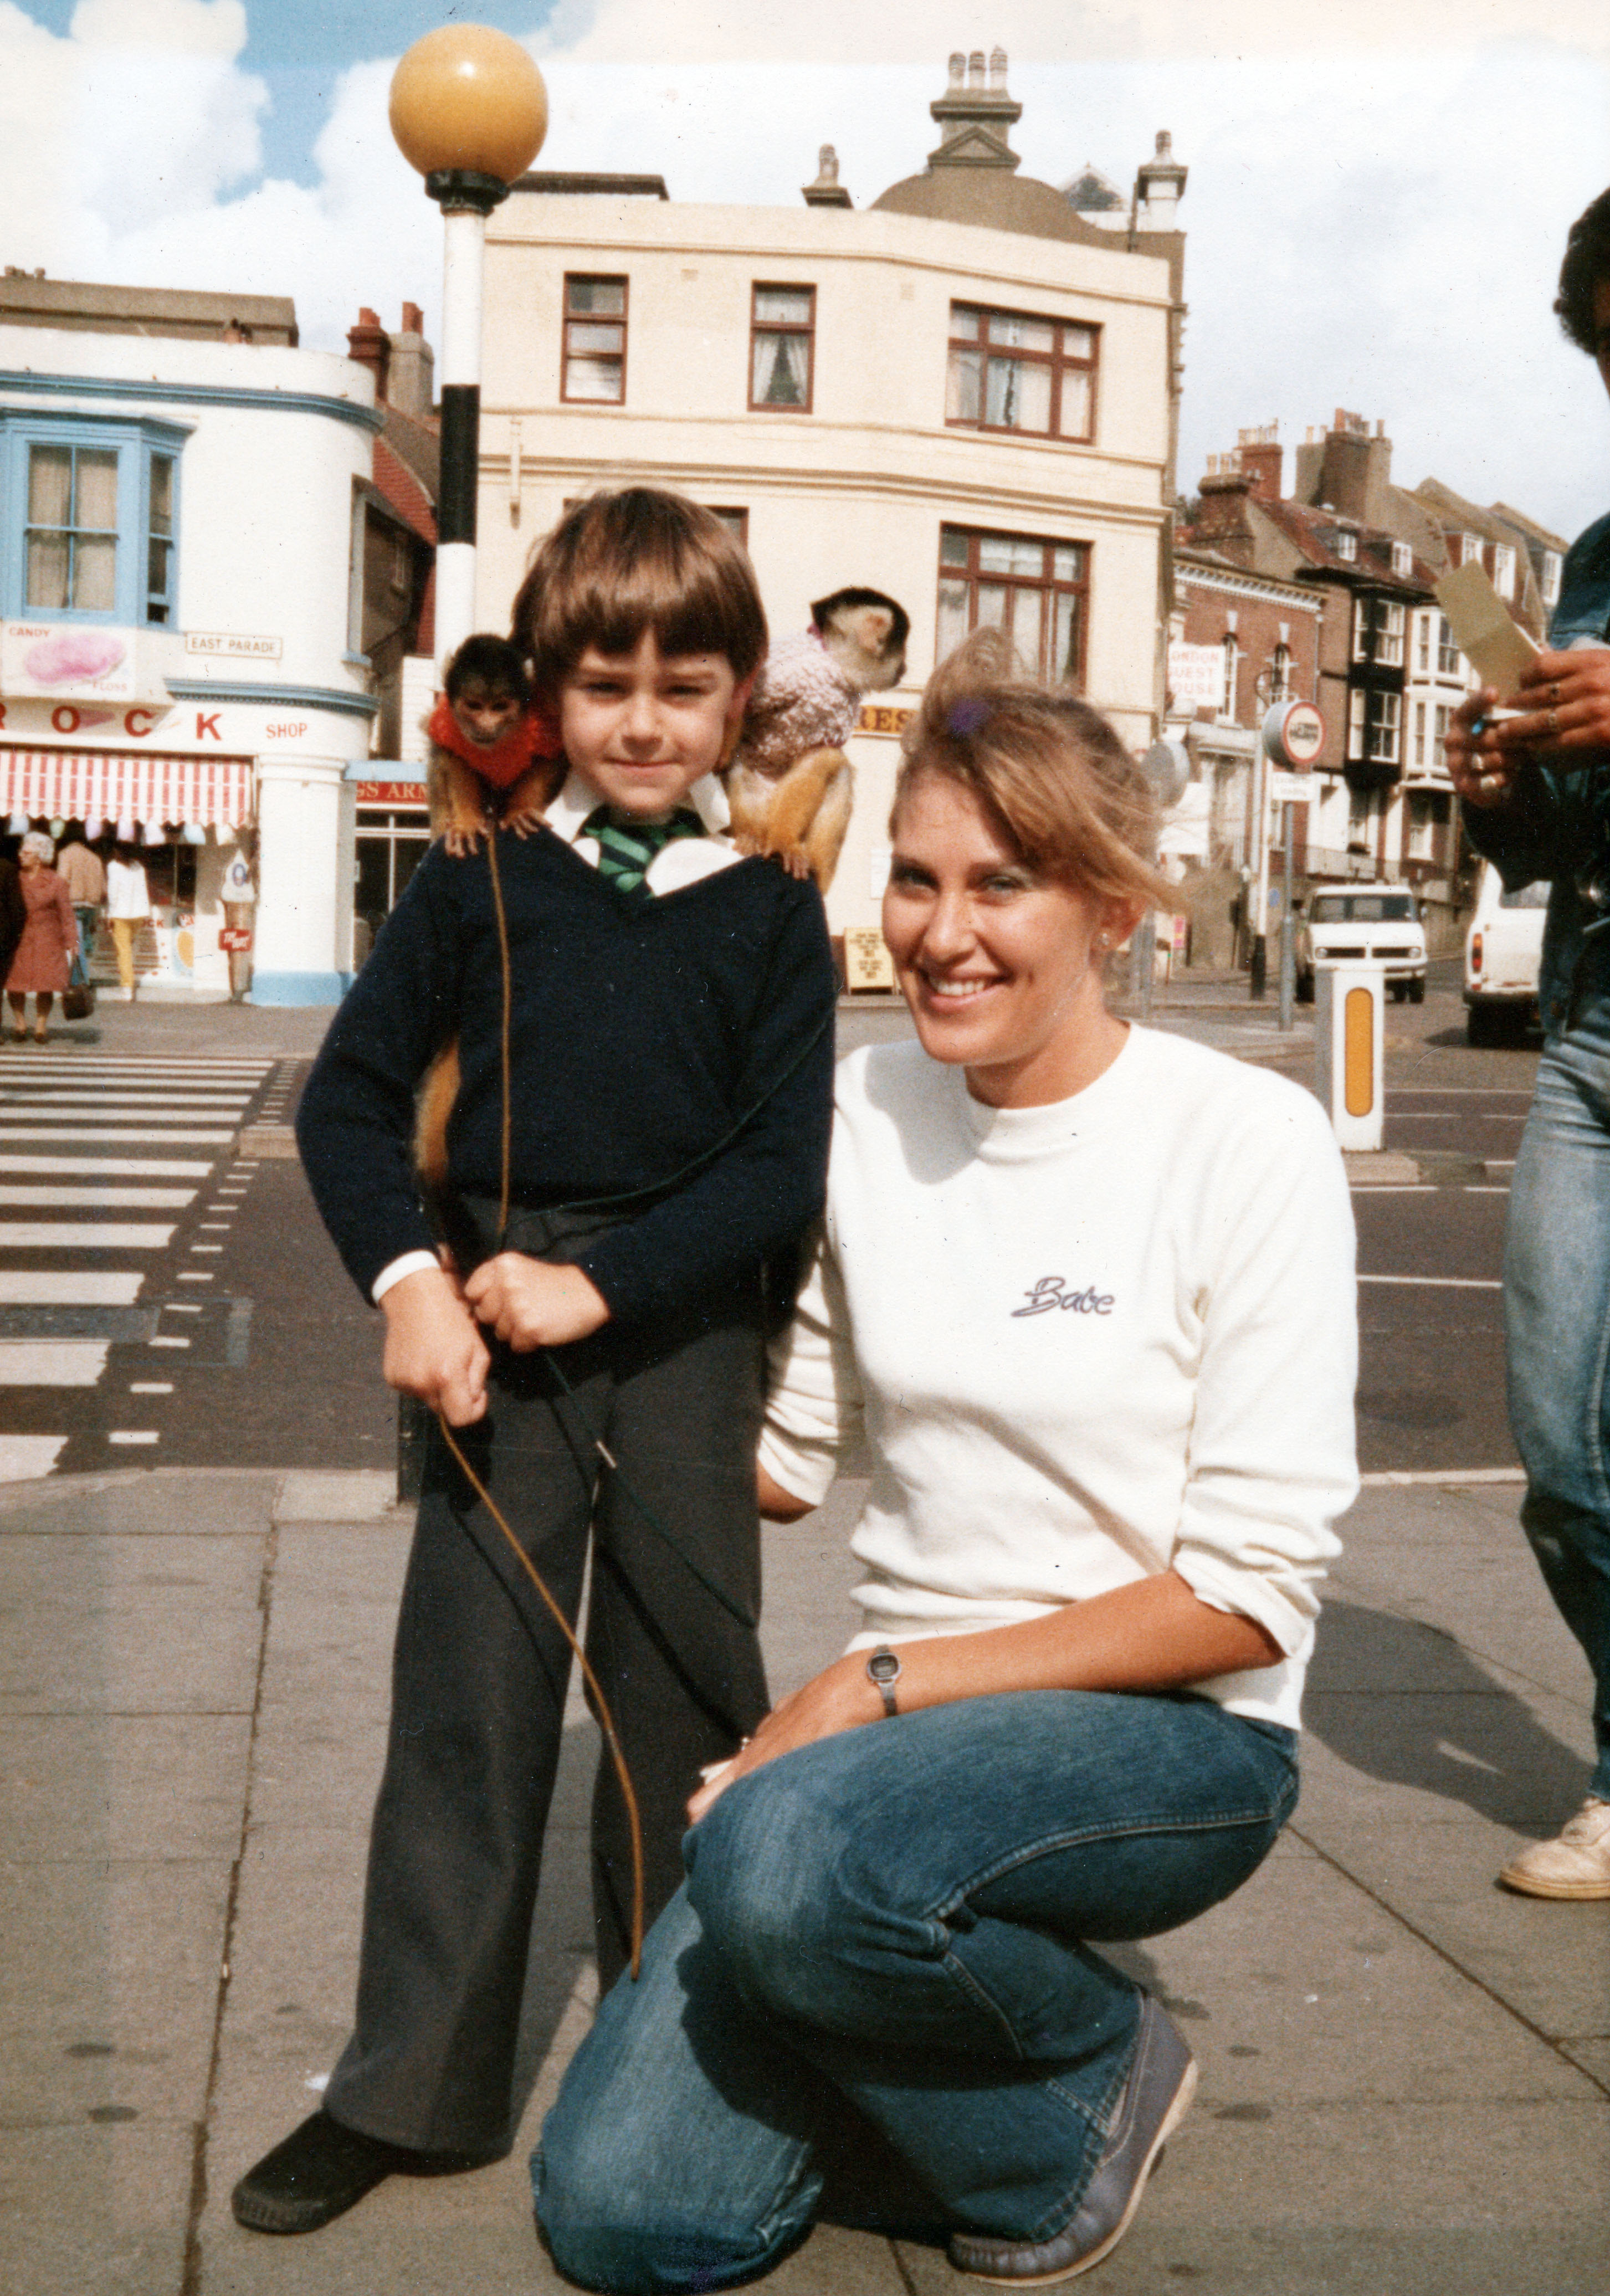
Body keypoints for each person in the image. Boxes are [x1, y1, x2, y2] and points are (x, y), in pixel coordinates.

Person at [534, 632, 1358, 2294]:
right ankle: (889, 1994)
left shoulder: (1243, 1138)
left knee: (779, 1861)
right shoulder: (858, 1111)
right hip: (901, 1750)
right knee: (630, 2220)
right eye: (914, 878)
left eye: (1001, 885)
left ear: (1111, 908)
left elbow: (1245, 1598)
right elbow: (781, 1454)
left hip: (1172, 1736)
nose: (940, 931)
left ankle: (1089, 2069)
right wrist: (543, 1377)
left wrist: (871, 1686)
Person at [230, 489, 837, 2236]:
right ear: (549, 693)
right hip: (494, 1343)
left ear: (738, 701)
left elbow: (775, 1169)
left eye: (684, 689)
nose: (643, 724)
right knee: (467, 1706)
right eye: (604, 686)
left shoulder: (771, 911)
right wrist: (409, 1284)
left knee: (684, 1706)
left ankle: (679, 2064)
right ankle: (408, 2088)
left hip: (682, 1335)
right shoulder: (477, 886)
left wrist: (607, 1281)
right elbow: (348, 1103)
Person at [1446, 183, 1610, 1900]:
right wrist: (1500, 793)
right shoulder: (1594, 560)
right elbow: (1558, 848)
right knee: (1560, 1457)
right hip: (1587, 1036)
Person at [5, 832, 76, 1044]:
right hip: (19, 938)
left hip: (48, 939)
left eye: (26, 853)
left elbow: (67, 914)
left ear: (39, 857)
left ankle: (41, 1027)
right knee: (14, 983)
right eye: (21, 851)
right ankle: (20, 1024)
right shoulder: (14, 879)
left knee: (46, 984)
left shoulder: (56, 881)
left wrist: (72, 941)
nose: (21, 855)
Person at [105, 840, 151, 1002]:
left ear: (117, 852)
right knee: (129, 950)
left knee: (124, 952)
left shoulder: (113, 867)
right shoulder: (138, 867)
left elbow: (113, 892)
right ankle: (129, 983)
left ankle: (127, 988)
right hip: (139, 914)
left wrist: (110, 914)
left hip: (121, 914)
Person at [55, 822, 106, 966]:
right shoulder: (95, 858)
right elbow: (104, 887)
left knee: (76, 946)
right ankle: (83, 974)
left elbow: (62, 881)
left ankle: (80, 977)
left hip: (73, 905)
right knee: (83, 943)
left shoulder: (65, 854)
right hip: (91, 906)